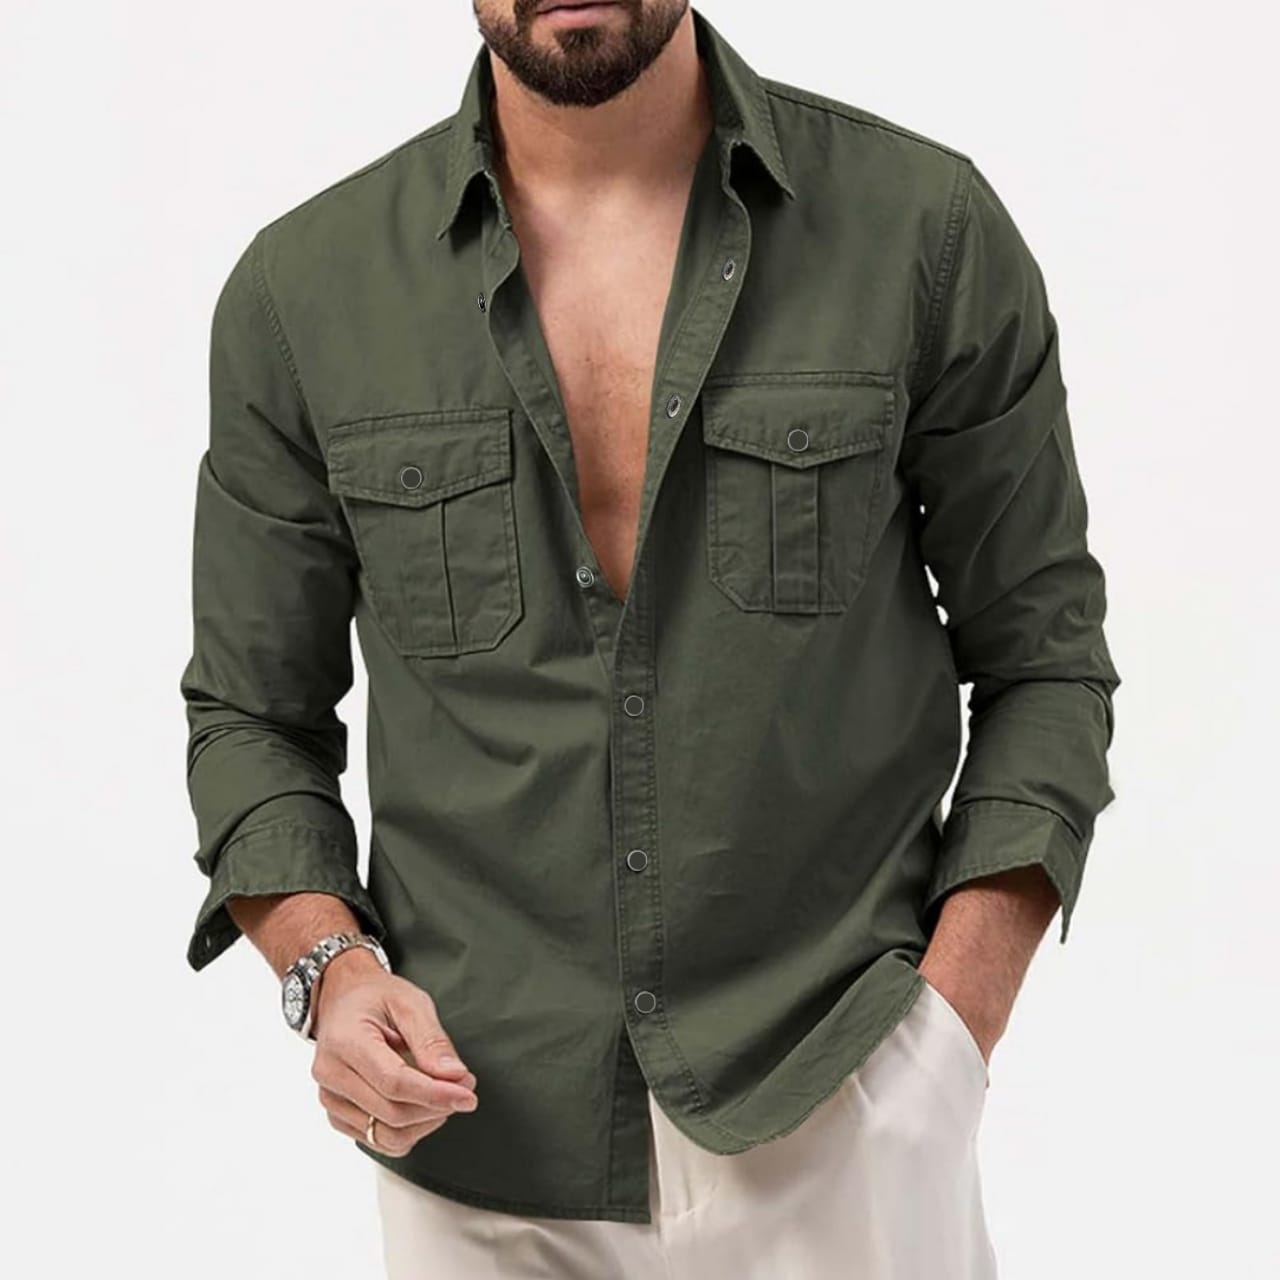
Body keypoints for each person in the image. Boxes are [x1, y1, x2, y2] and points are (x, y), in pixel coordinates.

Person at [180, 3, 1120, 1275]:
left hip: (836, 1098)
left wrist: (946, 1038)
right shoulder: (304, 292)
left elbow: (1043, 658)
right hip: (479, 1138)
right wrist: (332, 971)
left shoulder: (921, 229)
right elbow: (252, 717)